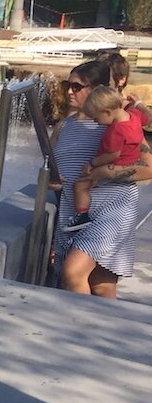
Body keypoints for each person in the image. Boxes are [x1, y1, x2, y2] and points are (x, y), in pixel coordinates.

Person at [50, 59, 142, 298]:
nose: (70, 91)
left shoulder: (119, 123)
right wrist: (52, 180)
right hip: (75, 211)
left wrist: (109, 172)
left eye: (77, 86)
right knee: (101, 283)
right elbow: (48, 166)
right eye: (66, 85)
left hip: (113, 209)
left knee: (73, 272)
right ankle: (98, 328)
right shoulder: (64, 126)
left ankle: (78, 328)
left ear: (98, 89)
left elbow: (148, 168)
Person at [64, 85, 142, 233]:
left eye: (97, 118)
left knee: (80, 185)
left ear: (107, 112)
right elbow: (146, 117)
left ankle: (82, 215)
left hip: (116, 164)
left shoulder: (116, 131)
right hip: (131, 163)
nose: (96, 123)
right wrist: (137, 104)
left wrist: (92, 163)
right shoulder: (133, 117)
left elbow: (113, 155)